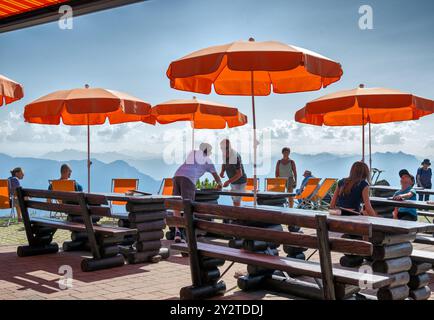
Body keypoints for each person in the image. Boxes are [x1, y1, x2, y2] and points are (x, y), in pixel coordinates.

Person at [172, 143, 223, 242]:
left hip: (177, 175)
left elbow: (192, 165)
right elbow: (217, 178)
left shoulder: (193, 153)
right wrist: (220, 185)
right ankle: (185, 235)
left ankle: (177, 232)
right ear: (208, 151)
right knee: (188, 207)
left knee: (177, 206)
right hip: (189, 179)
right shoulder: (208, 160)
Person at [219, 139, 247, 207]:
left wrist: (228, 182)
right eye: (221, 148)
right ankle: (236, 216)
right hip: (233, 181)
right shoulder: (224, 154)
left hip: (240, 181)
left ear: (229, 146)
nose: (223, 150)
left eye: (225, 148)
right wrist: (222, 171)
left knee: (236, 201)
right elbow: (224, 163)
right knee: (234, 200)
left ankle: (237, 217)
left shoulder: (235, 157)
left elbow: (239, 174)